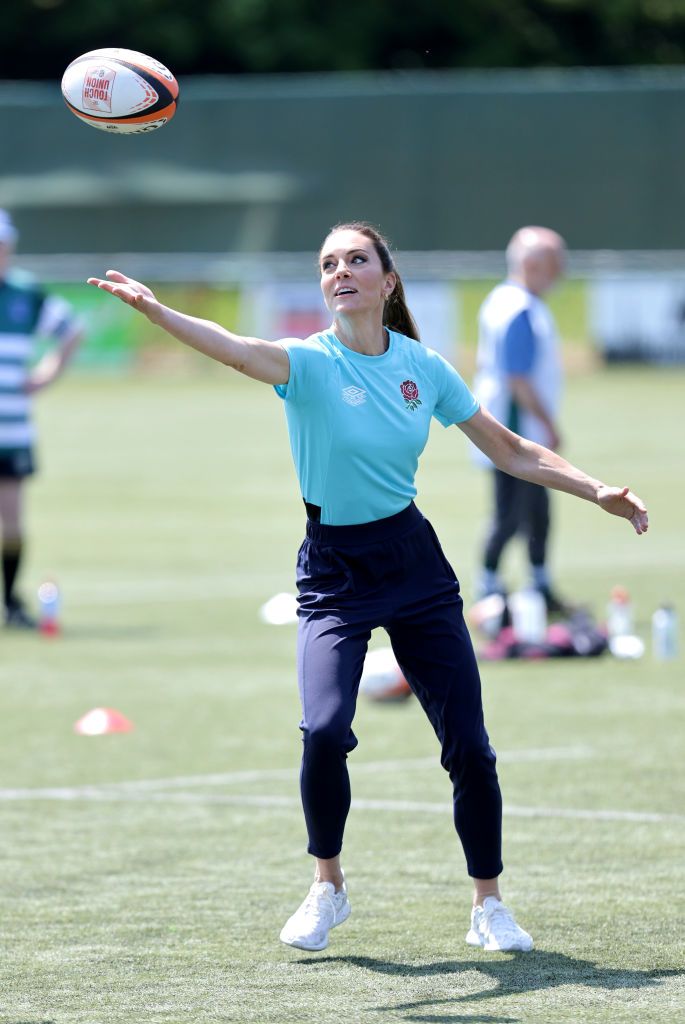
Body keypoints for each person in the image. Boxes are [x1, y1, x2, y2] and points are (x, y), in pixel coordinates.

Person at [87, 222, 648, 954]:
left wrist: (596, 489)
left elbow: (510, 450)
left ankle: (488, 904)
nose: (341, 271)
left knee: (469, 746)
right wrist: (159, 312)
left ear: (387, 282)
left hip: (414, 565)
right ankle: (328, 887)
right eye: (329, 264)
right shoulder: (306, 363)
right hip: (333, 571)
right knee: (323, 731)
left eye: (357, 260)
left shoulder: (423, 367)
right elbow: (235, 348)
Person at [472, 226, 570, 613]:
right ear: (531, 265)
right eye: (555, 263)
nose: (561, 272)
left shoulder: (505, 300)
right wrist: (549, 425)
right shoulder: (520, 309)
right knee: (509, 515)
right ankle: (488, 589)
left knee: (537, 512)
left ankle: (539, 585)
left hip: (512, 428)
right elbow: (518, 379)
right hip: (514, 432)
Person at [0, 210, 84, 628]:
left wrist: (47, 374)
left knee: (11, 521)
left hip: (12, 430)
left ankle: (10, 602)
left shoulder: (25, 293)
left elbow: (72, 329)